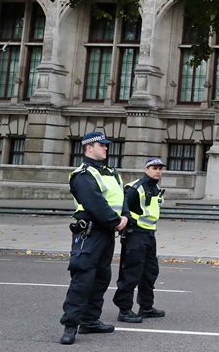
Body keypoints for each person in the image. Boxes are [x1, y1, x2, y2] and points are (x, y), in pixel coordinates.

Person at [59, 132, 127, 346]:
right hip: (89, 233)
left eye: (107, 145)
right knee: (83, 279)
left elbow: (121, 197)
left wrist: (124, 217)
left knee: (101, 278)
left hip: (106, 233)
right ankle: (70, 325)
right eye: (102, 145)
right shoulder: (83, 174)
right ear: (89, 148)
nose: (106, 149)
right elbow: (94, 203)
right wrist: (116, 221)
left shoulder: (112, 173)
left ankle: (90, 320)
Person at [114, 157, 167, 324]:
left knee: (150, 272)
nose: (158, 171)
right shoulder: (135, 188)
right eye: (154, 168)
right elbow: (123, 208)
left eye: (160, 168)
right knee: (131, 273)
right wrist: (129, 223)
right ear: (146, 169)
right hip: (135, 235)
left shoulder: (155, 187)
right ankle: (124, 310)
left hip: (149, 235)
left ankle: (146, 307)